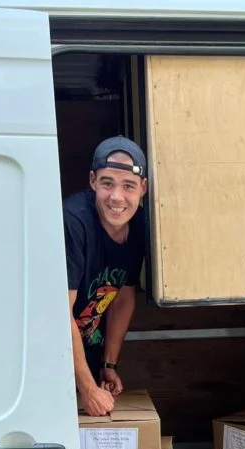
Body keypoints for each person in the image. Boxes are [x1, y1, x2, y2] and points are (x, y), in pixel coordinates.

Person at [63, 136, 148, 417]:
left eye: (128, 186)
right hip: (51, 363)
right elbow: (58, 314)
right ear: (92, 181)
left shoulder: (139, 227)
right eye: (107, 183)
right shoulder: (74, 222)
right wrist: (88, 388)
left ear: (143, 189)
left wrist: (108, 365)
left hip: (86, 356)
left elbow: (123, 297)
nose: (117, 197)